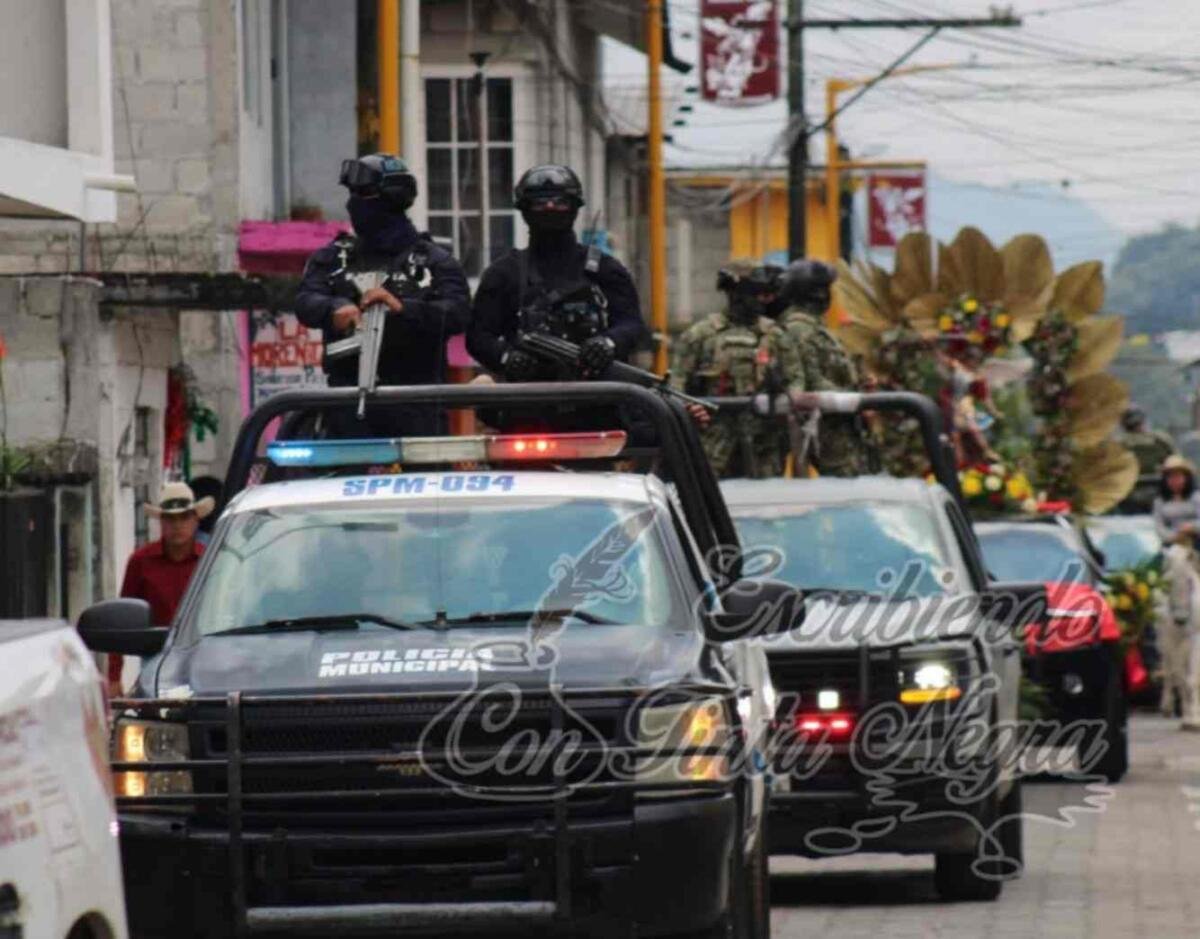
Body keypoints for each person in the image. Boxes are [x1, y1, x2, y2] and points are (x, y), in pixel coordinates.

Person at [295, 153, 471, 436]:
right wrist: (335, 308)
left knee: (427, 479)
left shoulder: (434, 262)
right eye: (352, 194)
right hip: (347, 402)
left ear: (391, 199)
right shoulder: (334, 258)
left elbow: (458, 312)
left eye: (362, 194)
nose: (352, 203)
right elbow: (305, 300)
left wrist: (403, 310)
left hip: (417, 404)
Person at [467, 164, 647, 382]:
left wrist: (608, 343)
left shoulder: (604, 269)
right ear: (525, 209)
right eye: (540, 203)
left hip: (597, 400)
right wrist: (507, 357)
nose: (550, 207)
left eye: (560, 203)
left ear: (574, 207)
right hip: (527, 400)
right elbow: (478, 336)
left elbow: (632, 324)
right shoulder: (504, 274)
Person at [671, 261, 802, 479]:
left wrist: (785, 407)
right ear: (737, 294)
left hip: (764, 441)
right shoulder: (701, 335)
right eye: (757, 294)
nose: (764, 300)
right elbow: (676, 383)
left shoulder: (775, 335)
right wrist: (690, 412)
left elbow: (796, 378)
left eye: (766, 295)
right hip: (713, 440)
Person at [771, 259, 870, 476]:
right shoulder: (799, 329)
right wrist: (855, 397)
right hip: (826, 428)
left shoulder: (817, 328)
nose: (828, 296)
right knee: (847, 488)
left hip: (839, 424)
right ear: (814, 294)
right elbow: (811, 380)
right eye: (824, 290)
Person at [112, 482, 212, 694]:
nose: (178, 525)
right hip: (155, 660)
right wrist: (113, 677)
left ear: (196, 520)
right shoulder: (140, 562)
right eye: (170, 519)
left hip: (204, 656)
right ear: (161, 522)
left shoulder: (209, 561)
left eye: (184, 517)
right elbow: (119, 621)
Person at [1118, 405, 1177, 513]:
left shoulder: (1118, 444)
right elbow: (1176, 464)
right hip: (1159, 492)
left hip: (1126, 494)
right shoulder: (1160, 439)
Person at [1153, 455, 1200, 550]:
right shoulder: (1159, 502)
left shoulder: (1196, 497)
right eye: (1170, 477)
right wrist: (1174, 537)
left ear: (1186, 477)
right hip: (1172, 545)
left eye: (1178, 476)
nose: (1174, 480)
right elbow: (1159, 527)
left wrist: (1192, 527)